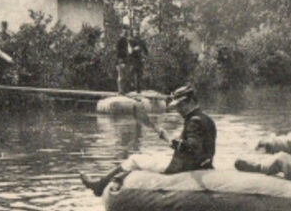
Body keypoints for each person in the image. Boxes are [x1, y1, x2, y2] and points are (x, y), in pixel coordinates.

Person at [80, 84, 217, 196]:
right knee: (152, 156)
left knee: (134, 159)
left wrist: (170, 139)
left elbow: (192, 147)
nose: (178, 110)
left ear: (192, 102)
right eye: (177, 107)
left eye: (181, 105)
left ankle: (100, 185)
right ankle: (110, 181)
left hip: (183, 167)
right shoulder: (206, 119)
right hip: (201, 164)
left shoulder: (194, 121)